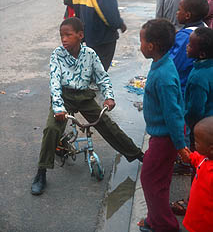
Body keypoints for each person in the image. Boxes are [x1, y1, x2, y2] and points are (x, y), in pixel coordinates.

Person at [31, 17, 144, 196]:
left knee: (107, 124)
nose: (64, 39)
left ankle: (137, 154)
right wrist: (58, 107)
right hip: (64, 97)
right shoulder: (57, 55)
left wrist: (109, 97)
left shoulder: (90, 54)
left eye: (68, 35)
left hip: (84, 96)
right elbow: (54, 82)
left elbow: (102, 77)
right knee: (52, 129)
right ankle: (41, 172)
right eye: (62, 35)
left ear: (80, 35)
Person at [138, 19, 187, 232]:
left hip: (165, 138)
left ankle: (164, 225)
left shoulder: (163, 75)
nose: (140, 45)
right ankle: (155, 217)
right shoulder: (162, 63)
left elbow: (173, 112)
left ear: (152, 46)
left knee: (149, 179)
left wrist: (180, 145)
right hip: (163, 136)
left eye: (141, 41)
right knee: (160, 180)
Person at [169, 0, 208, 176]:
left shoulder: (185, 36)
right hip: (191, 86)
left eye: (179, 10)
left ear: (187, 15)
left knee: (184, 127)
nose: (177, 12)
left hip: (183, 88)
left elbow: (174, 63)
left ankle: (186, 161)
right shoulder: (204, 30)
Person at [181, 117, 213, 232]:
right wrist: (190, 156)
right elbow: (198, 159)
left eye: (197, 142)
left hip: (205, 221)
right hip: (196, 214)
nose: (194, 143)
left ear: (211, 149)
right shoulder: (206, 158)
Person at [185, 27, 213, 151]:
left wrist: (190, 125)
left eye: (190, 45)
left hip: (201, 127)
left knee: (199, 155)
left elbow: (195, 109)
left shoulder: (198, 77)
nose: (186, 46)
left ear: (201, 54)